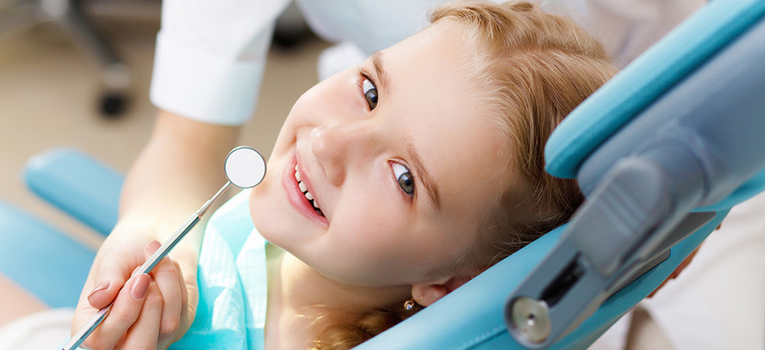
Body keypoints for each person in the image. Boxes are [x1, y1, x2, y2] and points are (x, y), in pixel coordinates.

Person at [0, 1, 627, 349]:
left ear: (448, 281)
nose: (329, 143)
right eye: (370, 89)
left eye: (405, 177)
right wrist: (154, 224)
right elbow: (179, 150)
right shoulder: (310, 237)